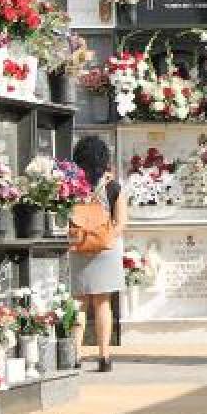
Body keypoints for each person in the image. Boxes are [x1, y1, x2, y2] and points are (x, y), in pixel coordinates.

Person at [69, 135, 127, 373]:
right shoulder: (113, 187)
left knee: (78, 303)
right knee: (103, 304)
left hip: (79, 245)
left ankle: (74, 355)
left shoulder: (71, 185)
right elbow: (121, 222)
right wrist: (105, 238)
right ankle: (104, 357)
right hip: (106, 248)